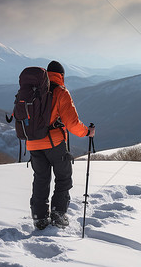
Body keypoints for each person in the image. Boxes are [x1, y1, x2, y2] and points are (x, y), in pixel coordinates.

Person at [27, 60, 95, 230]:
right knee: (63, 177)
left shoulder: (31, 91)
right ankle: (58, 214)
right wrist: (87, 132)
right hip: (54, 143)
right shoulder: (60, 92)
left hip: (33, 143)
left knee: (41, 179)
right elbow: (72, 124)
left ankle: (39, 217)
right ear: (61, 75)